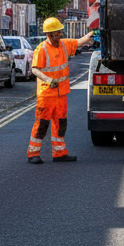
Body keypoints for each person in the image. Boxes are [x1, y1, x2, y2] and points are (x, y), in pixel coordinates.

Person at [29, 17, 95, 164]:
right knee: (42, 124)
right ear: (49, 34)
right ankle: (33, 153)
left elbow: (78, 42)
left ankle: (59, 153)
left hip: (61, 92)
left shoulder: (63, 45)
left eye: (60, 32)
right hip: (46, 93)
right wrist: (48, 80)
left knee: (61, 123)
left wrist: (90, 34)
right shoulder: (42, 48)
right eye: (57, 33)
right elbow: (35, 69)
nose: (59, 35)